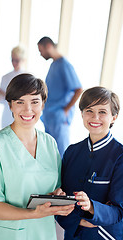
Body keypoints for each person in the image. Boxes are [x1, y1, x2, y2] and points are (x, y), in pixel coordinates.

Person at [0, 73, 74, 240]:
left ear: (43, 104)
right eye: (20, 102)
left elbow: (55, 188)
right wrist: (34, 213)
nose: (28, 110)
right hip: (8, 234)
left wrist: (57, 197)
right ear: (10, 106)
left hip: (44, 232)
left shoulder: (50, 143)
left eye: (35, 102)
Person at [56, 86, 123, 239]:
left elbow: (119, 211)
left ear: (114, 117)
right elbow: (60, 201)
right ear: (82, 114)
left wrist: (92, 206)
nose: (95, 117)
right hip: (73, 235)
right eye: (89, 111)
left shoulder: (120, 156)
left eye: (102, 112)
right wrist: (77, 221)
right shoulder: (71, 152)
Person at [37, 36, 82, 157]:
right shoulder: (54, 65)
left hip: (59, 116)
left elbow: (78, 89)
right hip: (50, 115)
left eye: (41, 50)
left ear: (49, 46)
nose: (40, 54)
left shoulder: (64, 65)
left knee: (61, 152)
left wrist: (66, 110)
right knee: (51, 151)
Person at [0, 45, 26, 128]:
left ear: (23, 60)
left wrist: (6, 95)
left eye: (17, 60)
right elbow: (1, 100)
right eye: (12, 60)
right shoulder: (5, 77)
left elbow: (25, 99)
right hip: (7, 116)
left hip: (22, 116)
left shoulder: (28, 77)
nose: (14, 63)